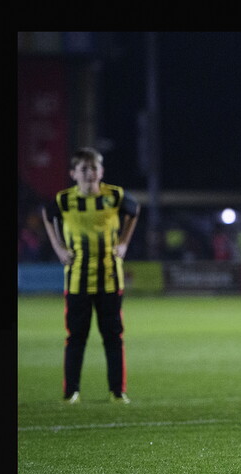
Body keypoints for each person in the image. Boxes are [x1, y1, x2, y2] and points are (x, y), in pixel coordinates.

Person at [41, 147, 140, 404]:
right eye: (84, 169)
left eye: (94, 167)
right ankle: (71, 391)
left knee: (113, 337)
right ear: (74, 173)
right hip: (76, 279)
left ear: (101, 171)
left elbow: (135, 209)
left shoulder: (115, 196)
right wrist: (59, 248)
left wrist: (124, 243)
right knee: (76, 337)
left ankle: (117, 392)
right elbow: (47, 214)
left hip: (110, 278)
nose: (90, 173)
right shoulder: (64, 200)